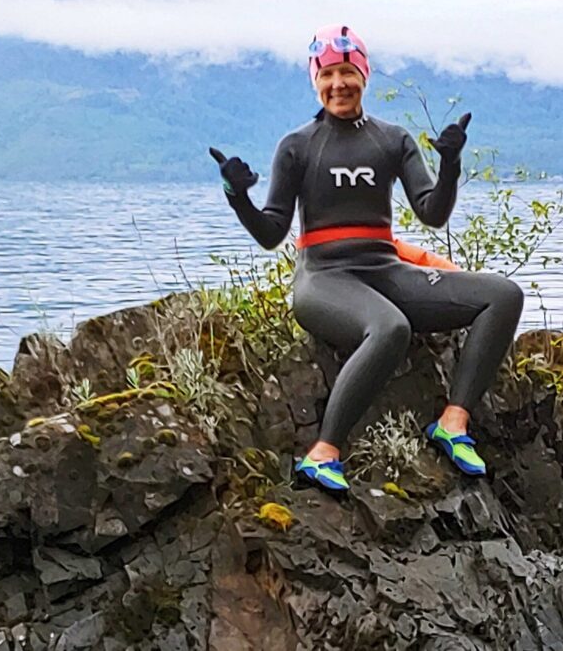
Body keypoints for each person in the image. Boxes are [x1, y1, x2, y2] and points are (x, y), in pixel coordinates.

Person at [211, 24, 524, 493]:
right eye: (328, 74)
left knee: (503, 295)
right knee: (390, 328)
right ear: (316, 81)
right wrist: (238, 197)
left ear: (364, 75)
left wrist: (450, 166)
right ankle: (323, 453)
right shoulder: (297, 147)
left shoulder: (392, 140)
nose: (339, 83)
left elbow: (432, 213)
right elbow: (272, 234)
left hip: (384, 269)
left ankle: (453, 424)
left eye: (348, 72)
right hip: (323, 278)